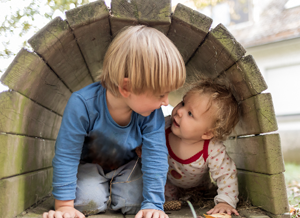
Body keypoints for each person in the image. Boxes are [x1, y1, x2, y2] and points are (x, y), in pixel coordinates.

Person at [43, 25, 186, 218]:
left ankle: (120, 194)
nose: (166, 102)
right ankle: (98, 192)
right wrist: (64, 206)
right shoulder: (82, 104)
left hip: (129, 168)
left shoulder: (152, 113)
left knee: (135, 203)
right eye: (161, 94)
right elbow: (67, 155)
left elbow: (156, 156)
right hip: (90, 166)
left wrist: (153, 203)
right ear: (127, 87)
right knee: (87, 202)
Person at [137, 79, 240, 215]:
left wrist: (225, 201)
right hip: (167, 183)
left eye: (190, 113)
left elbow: (226, 175)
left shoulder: (212, 149)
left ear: (207, 133)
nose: (179, 111)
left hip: (198, 188)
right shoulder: (164, 126)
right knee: (162, 197)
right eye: (183, 103)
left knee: (201, 195)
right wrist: (140, 145)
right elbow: (147, 133)